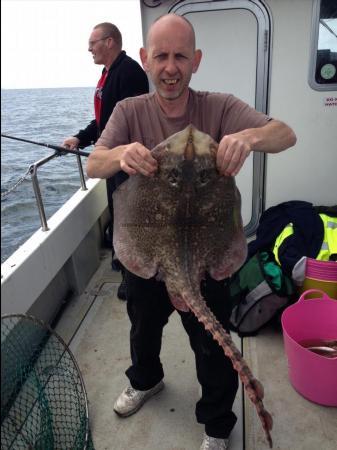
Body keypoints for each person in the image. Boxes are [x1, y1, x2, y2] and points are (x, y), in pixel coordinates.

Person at [86, 14, 296, 450]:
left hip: (206, 255)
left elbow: (285, 134)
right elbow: (94, 163)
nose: (170, 66)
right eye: (161, 56)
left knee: (214, 347)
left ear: (195, 61)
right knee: (143, 328)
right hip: (148, 252)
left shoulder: (219, 107)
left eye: (180, 56)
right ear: (145, 60)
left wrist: (250, 139)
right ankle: (146, 381)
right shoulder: (128, 110)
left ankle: (218, 425)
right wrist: (123, 153)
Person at [63, 22, 149, 300]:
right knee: (117, 212)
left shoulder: (130, 72)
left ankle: (132, 277)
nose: (89, 49)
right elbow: (104, 121)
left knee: (129, 218)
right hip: (111, 159)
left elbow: (131, 122)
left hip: (126, 162)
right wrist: (80, 138)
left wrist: (115, 153)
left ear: (110, 42)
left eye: (93, 42)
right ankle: (121, 260)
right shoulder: (107, 73)